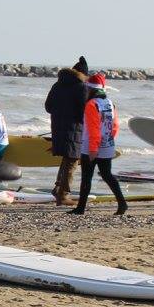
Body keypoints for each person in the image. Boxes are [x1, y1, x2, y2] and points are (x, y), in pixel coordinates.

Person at [71, 73, 128, 216]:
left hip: (92, 146)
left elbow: (93, 128)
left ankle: (81, 208)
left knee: (86, 177)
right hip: (107, 145)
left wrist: (93, 149)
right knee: (107, 175)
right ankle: (122, 203)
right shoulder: (109, 102)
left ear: (89, 89)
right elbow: (115, 126)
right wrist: (108, 140)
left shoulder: (91, 104)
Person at [44, 56, 88, 205]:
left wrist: (60, 113)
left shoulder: (57, 85)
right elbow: (84, 112)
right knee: (72, 161)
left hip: (57, 127)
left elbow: (48, 107)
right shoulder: (81, 87)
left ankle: (58, 188)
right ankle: (63, 195)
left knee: (67, 159)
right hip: (75, 129)